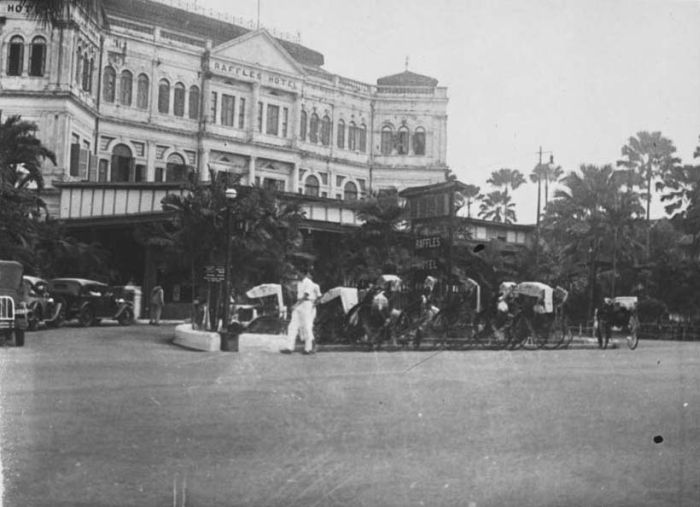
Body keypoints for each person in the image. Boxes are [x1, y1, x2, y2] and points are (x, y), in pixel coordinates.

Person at [280, 267, 321, 354]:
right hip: (299, 304)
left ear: (303, 273)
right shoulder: (299, 283)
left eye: (298, 273)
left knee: (307, 326)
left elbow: (306, 295)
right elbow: (295, 291)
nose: (297, 275)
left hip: (307, 304)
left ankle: (308, 348)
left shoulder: (309, 282)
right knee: (292, 326)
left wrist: (296, 305)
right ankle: (289, 347)